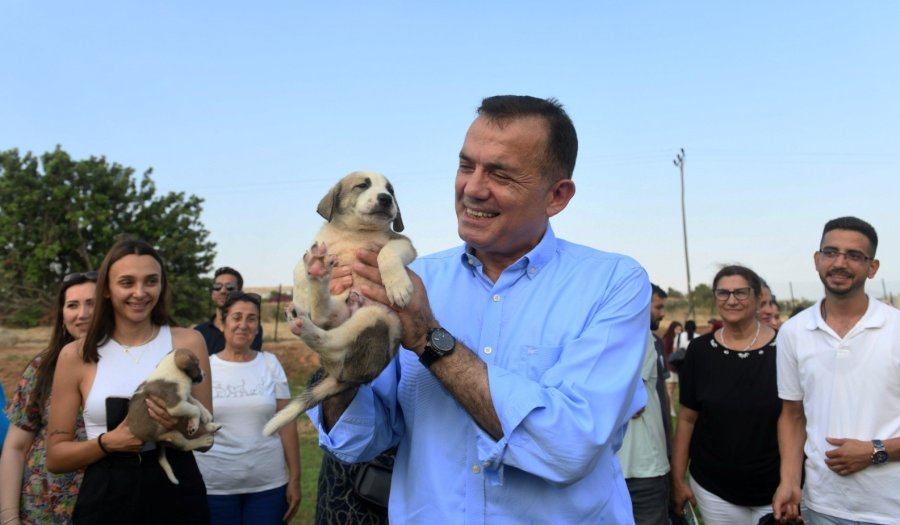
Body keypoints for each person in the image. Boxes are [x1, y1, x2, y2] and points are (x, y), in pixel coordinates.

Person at [301, 95, 649, 523]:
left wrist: (429, 337)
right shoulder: (414, 277)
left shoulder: (613, 283)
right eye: (467, 166)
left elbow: (568, 446)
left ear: (556, 196)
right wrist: (342, 352)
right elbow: (358, 440)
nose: (473, 188)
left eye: (500, 174)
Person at [46, 237, 213, 525]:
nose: (140, 292)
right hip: (106, 494)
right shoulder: (76, 354)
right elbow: (56, 457)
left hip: (176, 488)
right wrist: (108, 443)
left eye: (151, 281)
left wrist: (177, 424)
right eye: (127, 282)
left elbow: (206, 437)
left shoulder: (188, 342)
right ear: (107, 290)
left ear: (162, 286)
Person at [773, 216, 900, 525]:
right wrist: (789, 481)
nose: (840, 262)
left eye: (854, 255)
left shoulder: (896, 328)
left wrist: (875, 451)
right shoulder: (793, 332)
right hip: (822, 505)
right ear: (817, 260)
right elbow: (792, 414)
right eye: (831, 252)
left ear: (873, 267)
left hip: (890, 508)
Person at [671, 265, 780, 525]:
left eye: (741, 293)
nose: (731, 300)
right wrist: (677, 479)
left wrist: (791, 481)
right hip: (714, 490)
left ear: (757, 297)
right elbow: (687, 418)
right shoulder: (699, 351)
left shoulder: (785, 346)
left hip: (776, 487)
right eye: (723, 293)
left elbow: (796, 418)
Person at [195, 291, 300, 524]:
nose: (244, 325)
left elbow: (287, 422)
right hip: (214, 487)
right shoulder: (204, 369)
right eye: (237, 317)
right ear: (222, 323)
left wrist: (295, 478)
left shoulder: (270, 364)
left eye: (251, 318)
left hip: (268, 487)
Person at [0, 271, 96, 525]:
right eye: (72, 305)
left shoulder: (127, 367)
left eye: (92, 303)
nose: (82, 314)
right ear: (62, 316)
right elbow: (15, 447)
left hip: (106, 507)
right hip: (43, 513)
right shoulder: (42, 369)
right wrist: (9, 519)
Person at [617, 283, 671, 525]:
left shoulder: (639, 337)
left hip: (641, 468)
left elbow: (631, 402)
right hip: (609, 469)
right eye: (658, 306)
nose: (662, 313)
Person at [194, 267, 263, 354]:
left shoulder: (248, 328)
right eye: (217, 286)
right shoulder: (198, 333)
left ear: (240, 292)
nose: (223, 291)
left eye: (229, 287)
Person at [662, 321, 683, 416]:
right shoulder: (667, 338)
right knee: (669, 389)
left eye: (680, 329)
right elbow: (664, 352)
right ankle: (670, 410)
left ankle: (670, 409)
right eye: (677, 329)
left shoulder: (679, 339)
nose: (679, 331)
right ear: (672, 329)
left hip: (676, 368)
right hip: (669, 366)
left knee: (673, 389)